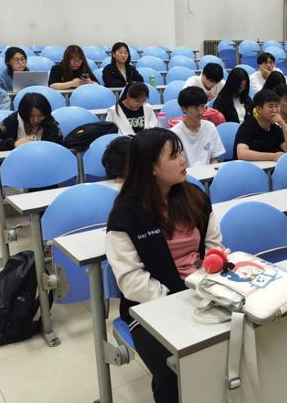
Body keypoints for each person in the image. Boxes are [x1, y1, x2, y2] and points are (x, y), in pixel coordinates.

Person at [105, 128, 224, 403]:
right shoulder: (126, 214)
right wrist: (177, 300)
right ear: (151, 168)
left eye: (181, 153)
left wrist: (208, 281)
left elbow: (214, 246)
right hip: (149, 309)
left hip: (204, 292)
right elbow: (132, 281)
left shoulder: (194, 197)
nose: (183, 160)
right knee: (173, 372)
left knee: (236, 345)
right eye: (174, 156)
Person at [0, 92, 63, 200]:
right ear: (24, 113)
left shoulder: (50, 123)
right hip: (13, 165)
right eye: (32, 116)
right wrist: (14, 144)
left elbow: (59, 147)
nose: (36, 120)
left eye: (40, 116)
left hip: (41, 167)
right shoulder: (12, 121)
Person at [233, 89, 287, 161]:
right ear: (259, 109)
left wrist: (283, 124)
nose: (275, 110)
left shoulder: (276, 129)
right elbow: (242, 154)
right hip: (247, 167)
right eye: (270, 107)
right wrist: (273, 156)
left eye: (277, 106)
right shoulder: (247, 126)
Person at [171, 87, 225, 167]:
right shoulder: (175, 133)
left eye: (202, 106)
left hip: (208, 173)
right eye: (195, 107)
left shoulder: (210, 127)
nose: (200, 111)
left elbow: (214, 159)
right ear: (183, 109)